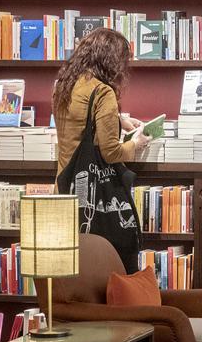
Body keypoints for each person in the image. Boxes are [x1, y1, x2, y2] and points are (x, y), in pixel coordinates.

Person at [54, 28, 151, 272]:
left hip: (64, 187)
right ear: (110, 60)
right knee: (104, 267)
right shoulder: (103, 91)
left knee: (75, 269)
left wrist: (118, 120)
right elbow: (111, 152)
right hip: (94, 197)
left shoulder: (63, 86)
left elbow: (80, 124)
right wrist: (136, 144)